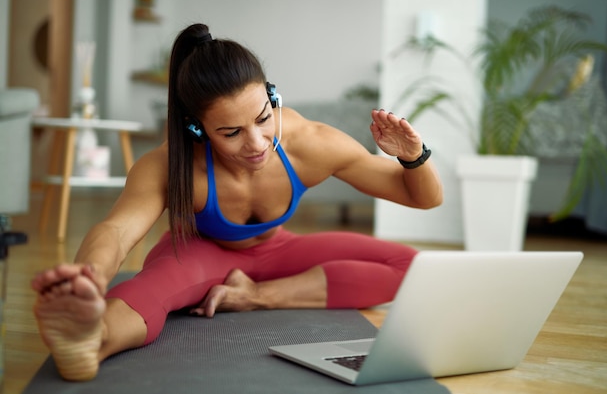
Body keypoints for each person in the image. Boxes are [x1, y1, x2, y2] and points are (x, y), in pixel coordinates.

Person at [31, 23, 443, 381]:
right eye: (230, 132)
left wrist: (413, 155)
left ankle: (255, 294)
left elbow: (423, 198)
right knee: (154, 290)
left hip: (276, 250)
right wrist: (89, 278)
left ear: (272, 96)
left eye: (263, 118)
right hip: (201, 254)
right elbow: (117, 231)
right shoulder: (172, 164)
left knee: (413, 266)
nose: (257, 144)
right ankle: (91, 340)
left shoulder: (309, 143)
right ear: (197, 128)